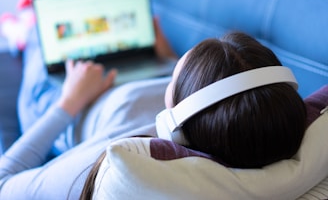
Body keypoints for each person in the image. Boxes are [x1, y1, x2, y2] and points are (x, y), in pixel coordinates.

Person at [0, 21, 309, 199]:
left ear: (174, 119)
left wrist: (69, 101)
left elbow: (4, 183)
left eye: (177, 74)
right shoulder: (224, 124)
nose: (177, 68)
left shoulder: (102, 165)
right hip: (122, 86)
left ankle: (22, 28)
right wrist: (171, 60)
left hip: (75, 105)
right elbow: (217, 100)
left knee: (38, 43)